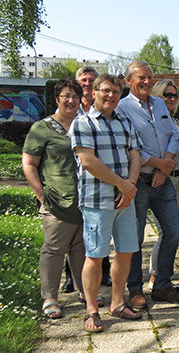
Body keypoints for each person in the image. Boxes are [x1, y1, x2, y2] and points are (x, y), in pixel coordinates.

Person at [69, 73, 142, 333]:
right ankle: (92, 309)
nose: (111, 96)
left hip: (125, 200)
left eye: (116, 92)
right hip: (97, 201)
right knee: (95, 256)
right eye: (106, 91)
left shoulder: (125, 122)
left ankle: (117, 303)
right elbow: (88, 161)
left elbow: (135, 156)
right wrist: (122, 184)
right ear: (94, 92)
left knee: (126, 252)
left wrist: (130, 186)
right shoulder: (83, 122)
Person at [117, 61, 179, 310]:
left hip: (162, 180)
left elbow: (175, 136)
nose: (147, 82)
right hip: (137, 182)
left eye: (150, 77)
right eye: (141, 77)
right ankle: (135, 289)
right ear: (129, 81)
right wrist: (160, 164)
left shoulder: (159, 103)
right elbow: (130, 146)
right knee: (134, 237)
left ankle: (162, 286)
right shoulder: (122, 108)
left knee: (174, 230)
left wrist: (164, 167)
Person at [22, 79, 86, 320]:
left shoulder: (84, 124)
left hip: (84, 200)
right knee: (54, 249)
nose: (71, 100)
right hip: (56, 201)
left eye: (75, 96)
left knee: (81, 248)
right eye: (66, 95)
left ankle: (85, 291)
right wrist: (41, 194)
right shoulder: (42, 128)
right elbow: (29, 163)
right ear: (57, 98)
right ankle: (50, 298)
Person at [61, 67, 112, 291]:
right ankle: (71, 277)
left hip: (101, 179)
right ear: (77, 82)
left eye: (92, 80)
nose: (88, 84)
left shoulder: (105, 108)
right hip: (74, 177)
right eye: (84, 80)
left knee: (100, 230)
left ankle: (104, 273)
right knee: (75, 232)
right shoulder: (71, 108)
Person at [146, 80, 179, 292]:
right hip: (162, 179)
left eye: (174, 95)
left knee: (172, 231)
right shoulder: (152, 122)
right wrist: (161, 170)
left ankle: (164, 276)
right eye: (167, 95)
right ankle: (156, 276)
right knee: (166, 231)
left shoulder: (175, 122)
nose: (171, 99)